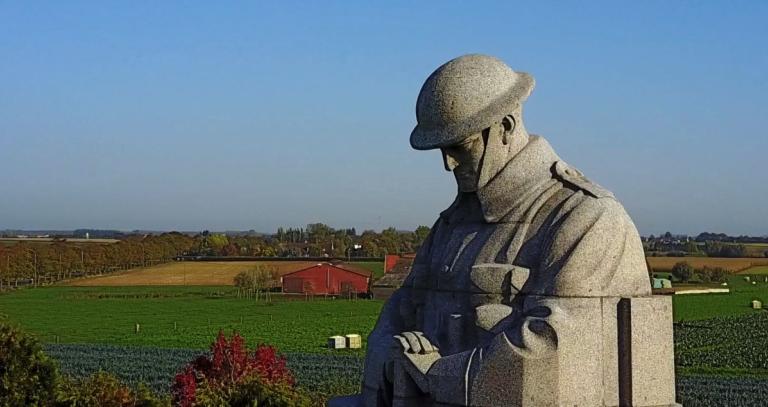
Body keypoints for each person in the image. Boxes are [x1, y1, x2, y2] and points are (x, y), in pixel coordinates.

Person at [360, 54, 651, 406]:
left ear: (507, 127)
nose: (447, 163)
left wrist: (433, 374)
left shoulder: (586, 218)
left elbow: (550, 353)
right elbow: (397, 313)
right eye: (441, 149)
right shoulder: (451, 226)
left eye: (459, 146)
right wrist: (393, 356)